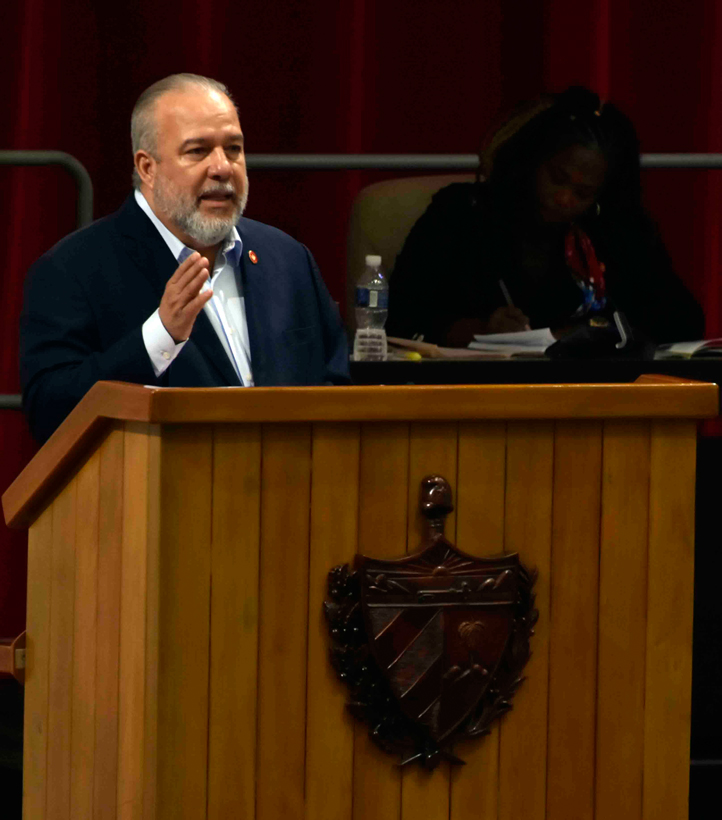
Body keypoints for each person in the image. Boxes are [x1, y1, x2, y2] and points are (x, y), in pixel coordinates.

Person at [20, 74, 349, 443]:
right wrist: (160, 335)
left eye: (234, 149)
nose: (223, 167)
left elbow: (335, 380)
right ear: (147, 168)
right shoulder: (73, 269)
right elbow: (50, 413)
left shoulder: (287, 258)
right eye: (198, 151)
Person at [386, 87, 704, 348]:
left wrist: (598, 330)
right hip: (478, 393)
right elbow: (401, 320)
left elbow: (681, 322)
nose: (565, 198)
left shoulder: (611, 229)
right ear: (533, 162)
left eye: (583, 193)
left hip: (590, 397)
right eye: (557, 177)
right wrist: (477, 330)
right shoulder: (462, 212)